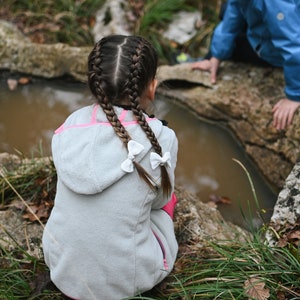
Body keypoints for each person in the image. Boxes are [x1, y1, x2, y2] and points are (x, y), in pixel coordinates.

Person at [42, 35, 178, 300]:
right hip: (128, 279)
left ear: (93, 84)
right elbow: (160, 199)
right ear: (152, 87)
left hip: (62, 268)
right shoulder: (161, 137)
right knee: (166, 203)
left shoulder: (70, 126)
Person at [192, 0, 300, 131]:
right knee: (227, 9)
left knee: (238, 46)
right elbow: (232, 16)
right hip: (269, 30)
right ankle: (211, 57)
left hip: (286, 38)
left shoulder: (275, 4)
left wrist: (294, 96)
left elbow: (294, 48)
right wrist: (216, 57)